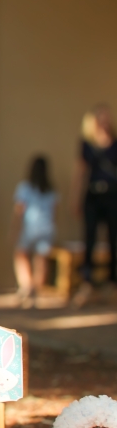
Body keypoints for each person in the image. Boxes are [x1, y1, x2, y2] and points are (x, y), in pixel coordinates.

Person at [72, 105, 117, 306]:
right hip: (93, 195)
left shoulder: (115, 144)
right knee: (89, 237)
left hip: (112, 195)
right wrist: (75, 198)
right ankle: (88, 280)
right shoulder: (87, 145)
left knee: (113, 238)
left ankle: (112, 281)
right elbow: (80, 172)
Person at [12, 156, 57, 308]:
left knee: (21, 255)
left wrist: (14, 229)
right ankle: (35, 289)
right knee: (41, 260)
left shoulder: (25, 187)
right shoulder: (50, 188)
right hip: (47, 227)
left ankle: (26, 286)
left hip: (30, 227)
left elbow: (19, 210)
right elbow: (54, 211)